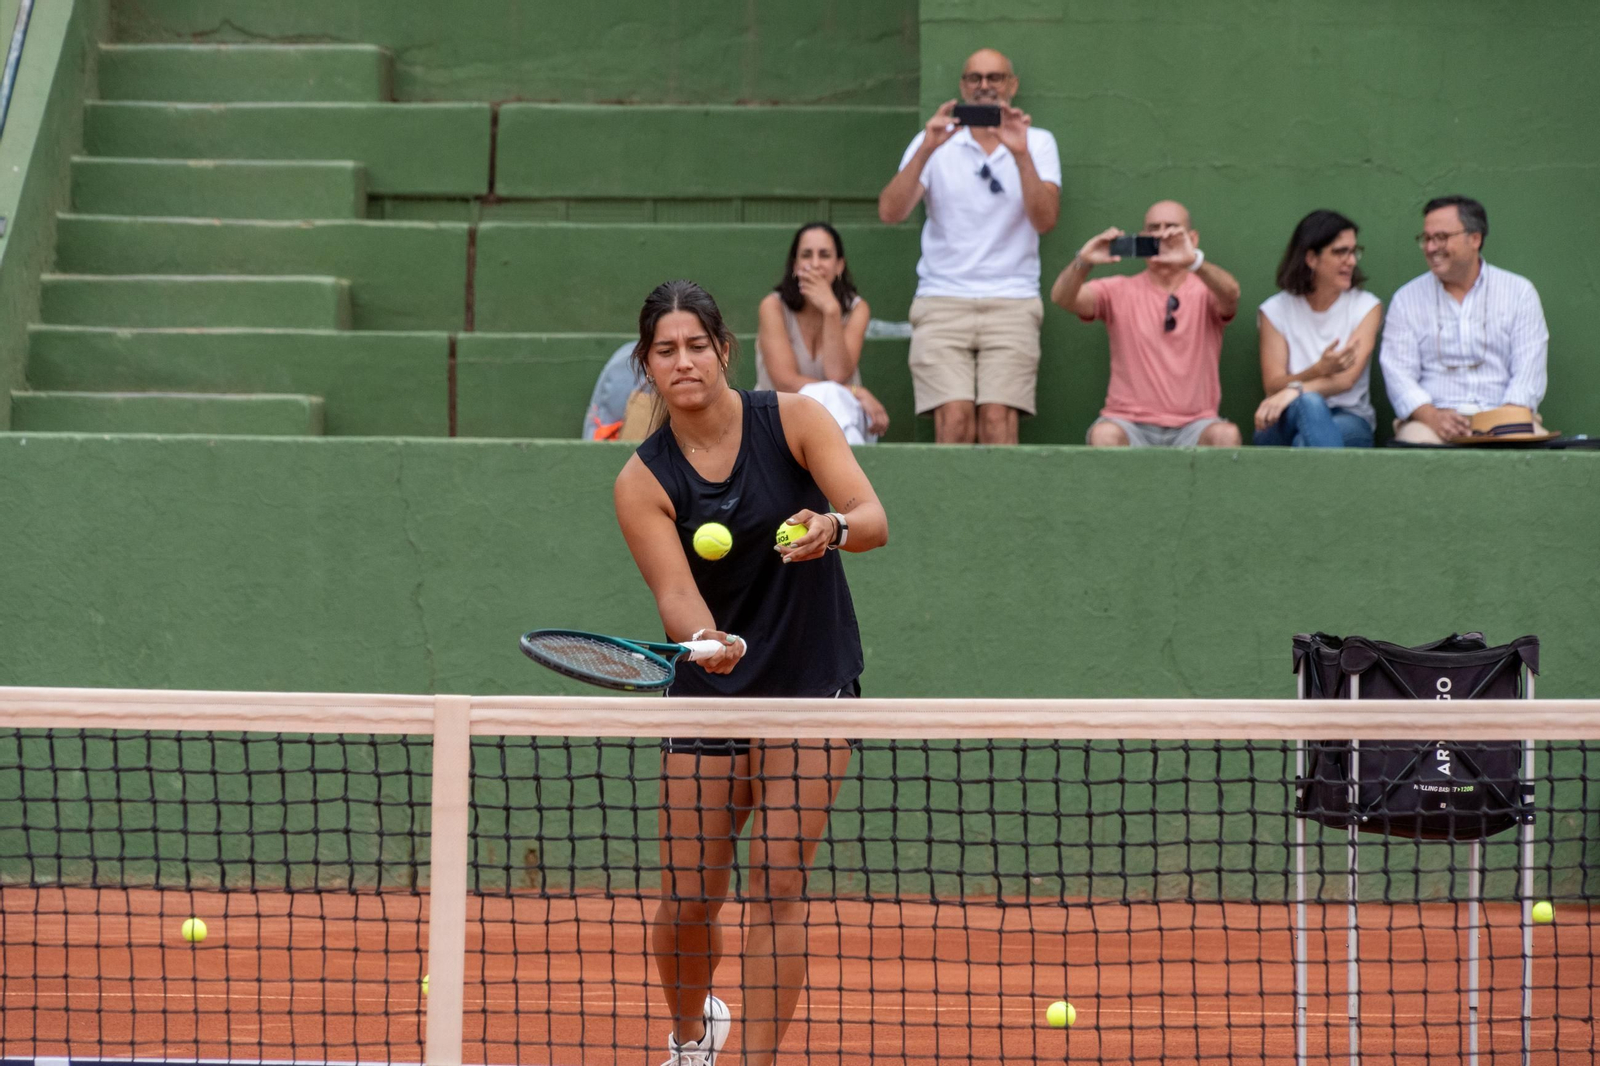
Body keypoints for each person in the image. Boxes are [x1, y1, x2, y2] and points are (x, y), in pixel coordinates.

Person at [613, 280, 889, 1066]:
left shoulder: (794, 420)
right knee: (689, 898)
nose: (683, 361)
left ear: (723, 350)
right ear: (648, 365)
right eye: (665, 351)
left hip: (810, 681)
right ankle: (692, 1036)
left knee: (775, 879)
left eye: (696, 345)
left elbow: (872, 519)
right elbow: (675, 592)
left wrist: (830, 528)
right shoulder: (642, 481)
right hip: (711, 688)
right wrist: (708, 640)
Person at [877, 48, 1060, 445]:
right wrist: (928, 147)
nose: (984, 86)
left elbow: (1045, 219)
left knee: (998, 422)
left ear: (1012, 86)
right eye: (975, 78)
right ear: (962, 86)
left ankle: (1005, 510)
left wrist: (1020, 153)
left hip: (1012, 299)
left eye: (995, 78)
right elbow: (891, 211)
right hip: (942, 298)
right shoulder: (934, 142)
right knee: (954, 421)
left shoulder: (1038, 142)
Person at [1050, 200, 1243, 447]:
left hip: (1194, 425)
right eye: (1153, 228)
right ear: (1142, 237)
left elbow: (1231, 294)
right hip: (1128, 424)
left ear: (1192, 239)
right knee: (1105, 435)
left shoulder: (1207, 292)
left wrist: (1193, 262)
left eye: (1171, 227)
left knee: (1225, 435)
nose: (1161, 235)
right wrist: (1083, 261)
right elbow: (1062, 298)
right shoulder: (1117, 289)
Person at [1380, 195, 1549, 444]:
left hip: (1505, 418)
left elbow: (1528, 371)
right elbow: (1398, 374)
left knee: (1534, 454)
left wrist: (1501, 420)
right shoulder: (1406, 299)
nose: (1430, 248)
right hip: (1432, 424)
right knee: (1417, 444)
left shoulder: (1518, 293)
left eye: (1441, 237)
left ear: (1475, 238)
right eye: (1426, 239)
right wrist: (1431, 416)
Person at [1252, 210, 1383, 447]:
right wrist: (1317, 370)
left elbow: (1345, 381)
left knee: (1305, 437)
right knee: (1309, 404)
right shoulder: (1276, 310)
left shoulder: (1366, 307)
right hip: (1284, 417)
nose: (1351, 261)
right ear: (1311, 258)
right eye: (1340, 252)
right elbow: (1273, 384)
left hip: (1350, 418)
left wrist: (1295, 391)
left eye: (1354, 252)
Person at [756, 222, 890, 444]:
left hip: (841, 416)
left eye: (825, 255)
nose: (815, 264)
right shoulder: (773, 307)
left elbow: (836, 373)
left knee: (838, 412)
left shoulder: (857, 309)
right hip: (782, 415)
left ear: (839, 266)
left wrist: (830, 310)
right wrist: (855, 391)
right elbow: (786, 383)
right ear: (794, 265)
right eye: (807, 255)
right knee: (837, 413)